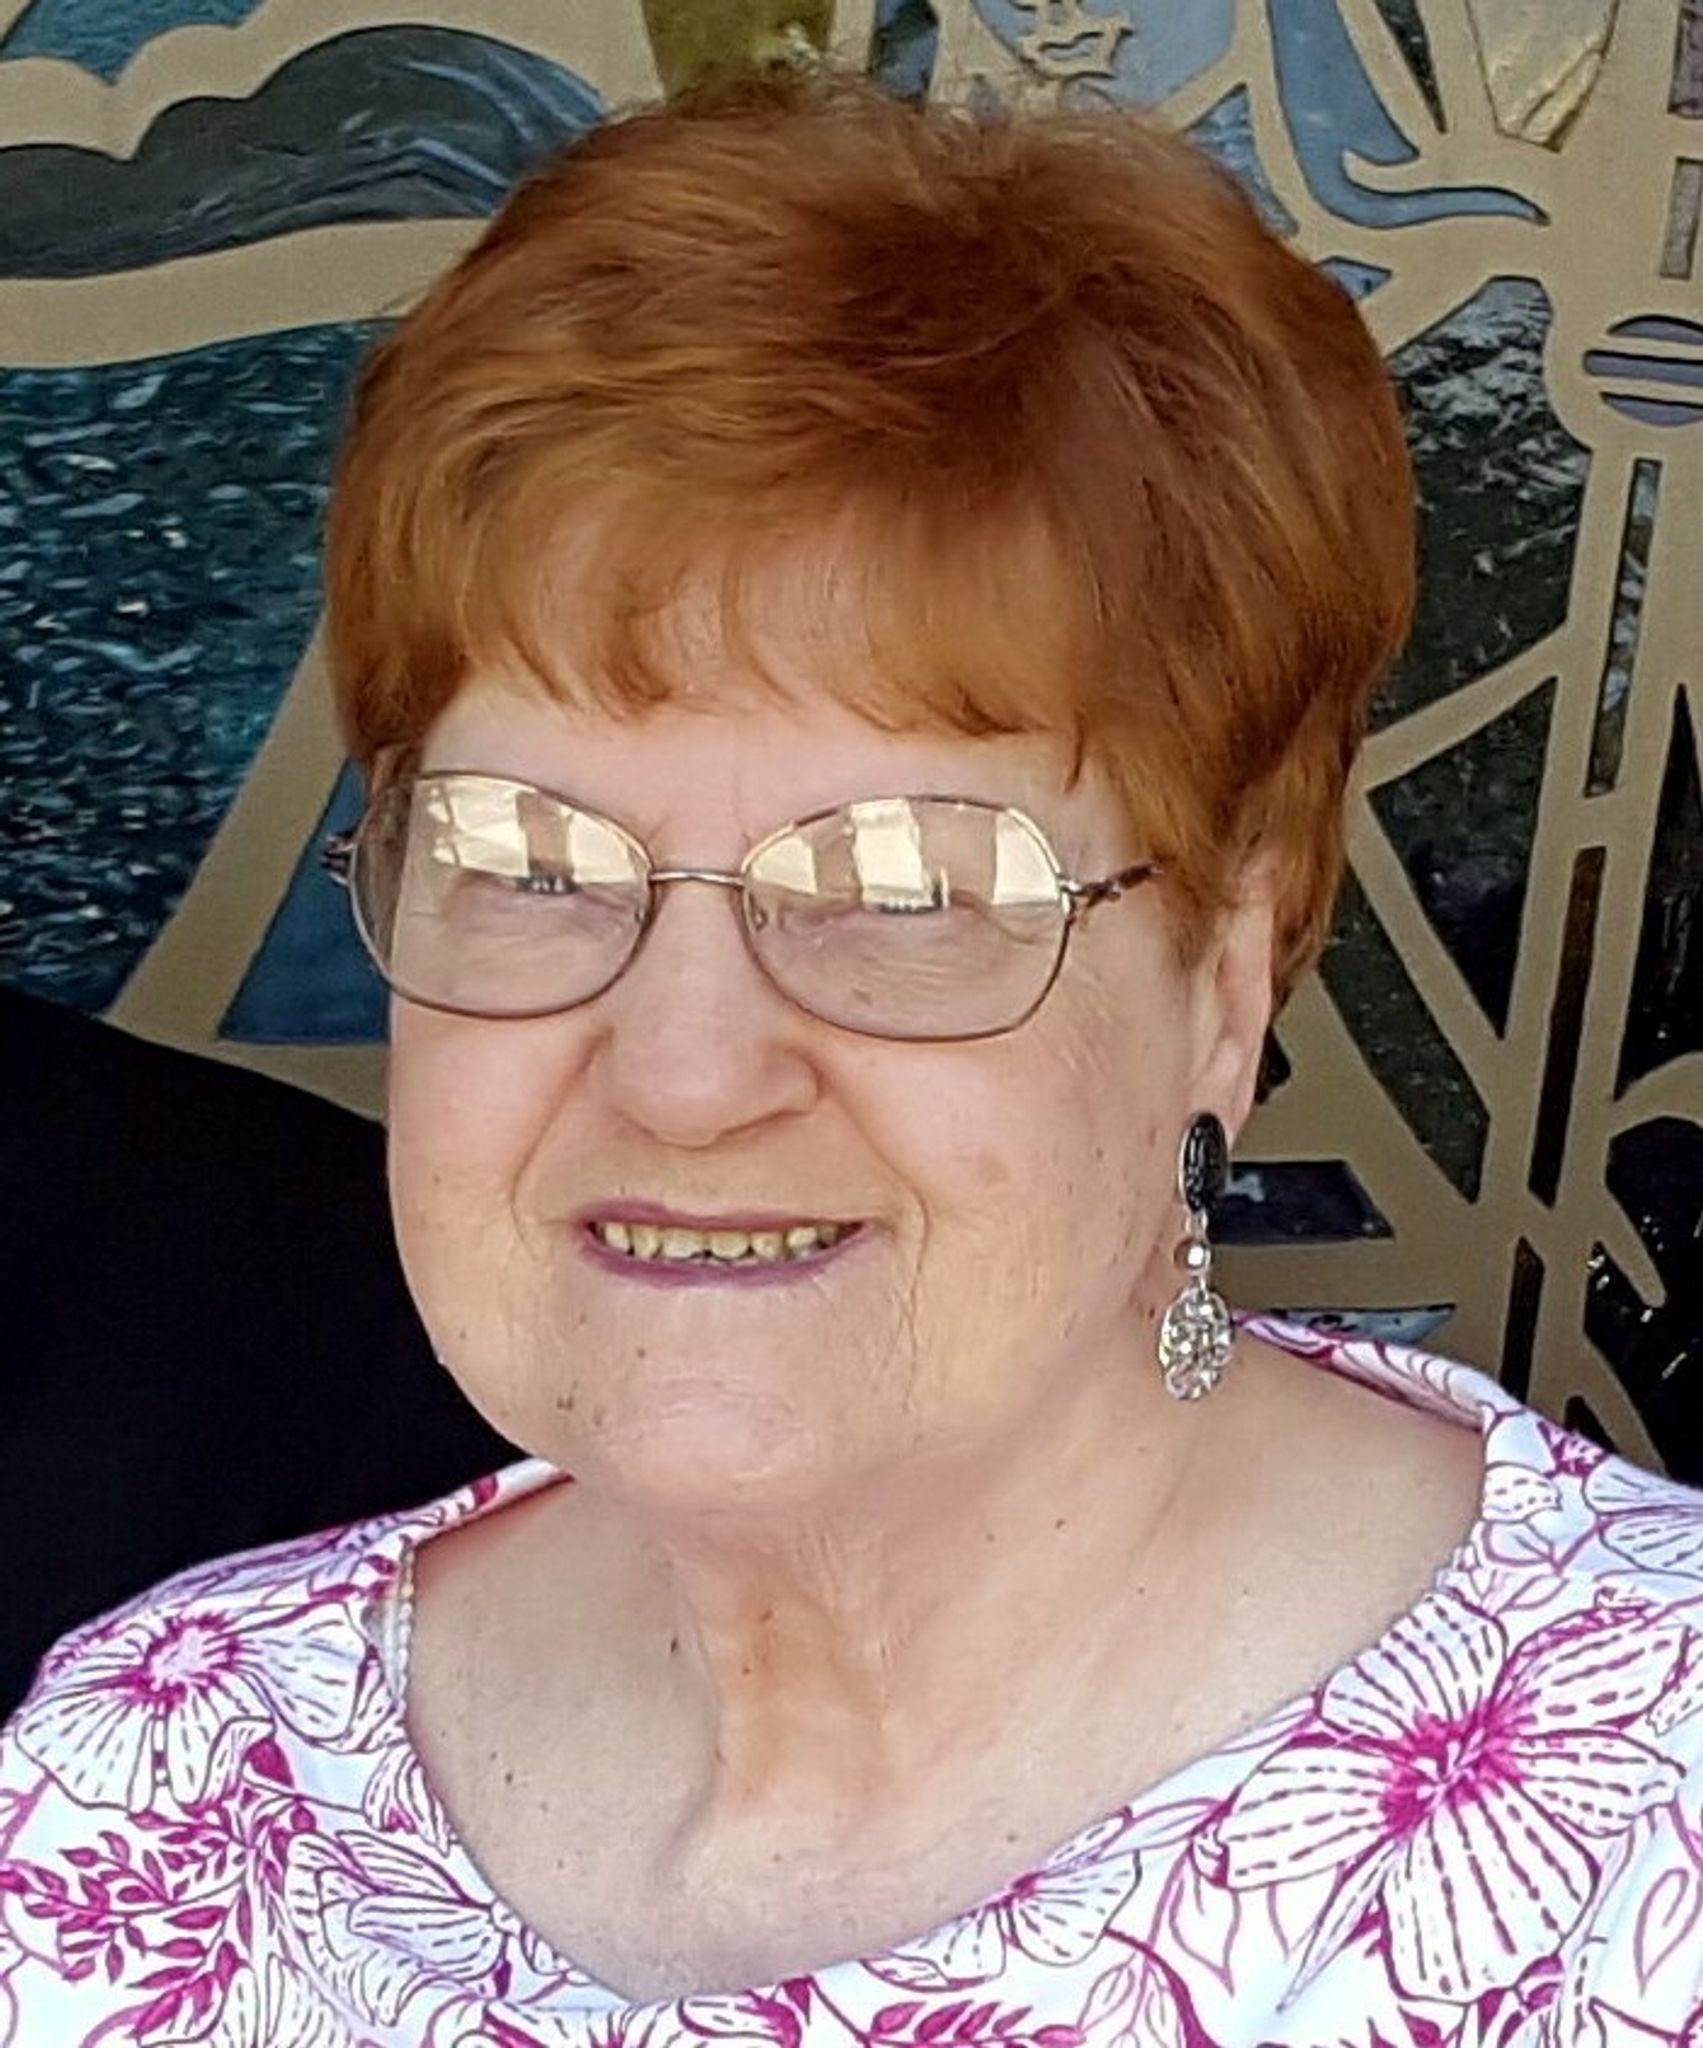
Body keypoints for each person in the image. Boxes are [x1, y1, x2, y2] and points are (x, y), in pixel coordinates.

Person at [2, 72, 1699, 2048]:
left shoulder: (1644, 1834)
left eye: (901, 885)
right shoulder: (150, 1780)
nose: (684, 1070)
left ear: (1224, 979)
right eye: (533, 864)